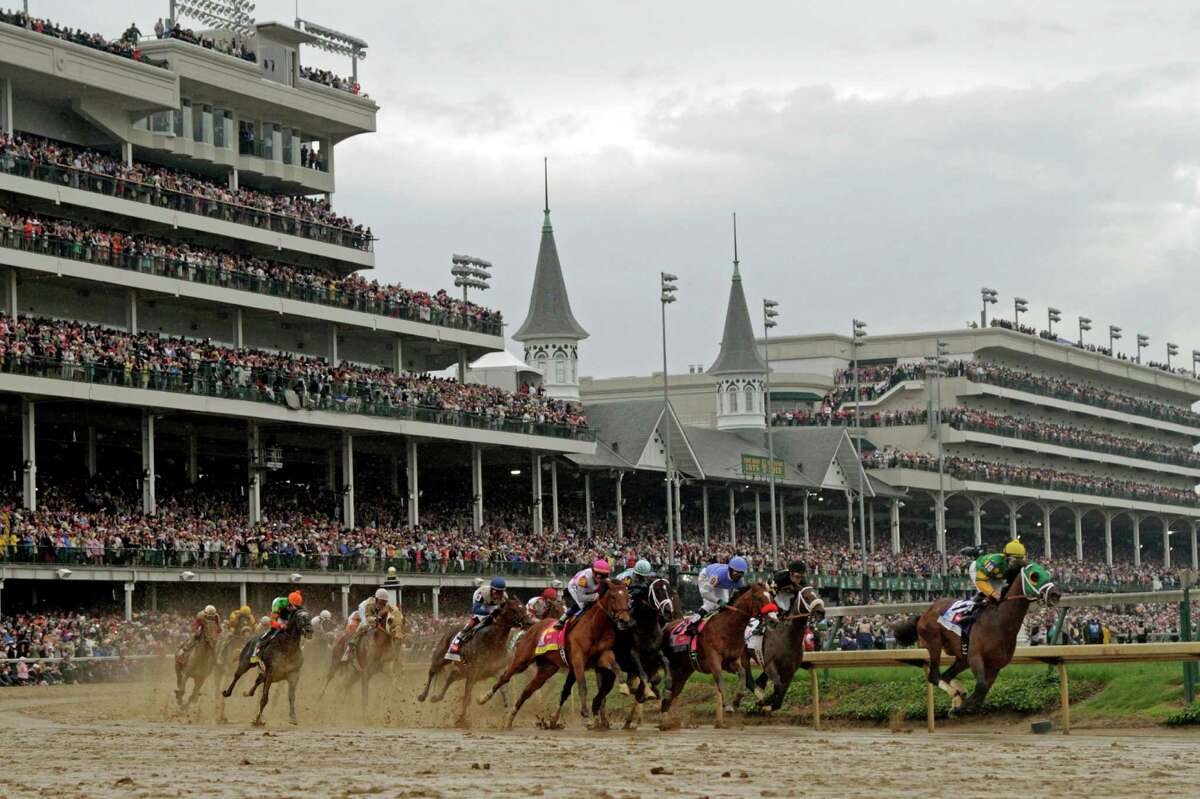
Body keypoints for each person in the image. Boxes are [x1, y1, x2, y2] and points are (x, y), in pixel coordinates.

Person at [958, 540, 1027, 655]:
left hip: (996, 576)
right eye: (1015, 559)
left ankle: (979, 551)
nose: (1018, 563)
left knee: (1001, 596)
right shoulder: (995, 561)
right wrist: (994, 595)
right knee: (987, 594)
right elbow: (981, 581)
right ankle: (967, 614)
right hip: (979, 571)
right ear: (1007, 557)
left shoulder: (1018, 565)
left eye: (1020, 559)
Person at [688, 556, 749, 634]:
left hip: (720, 583)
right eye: (736, 573)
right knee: (710, 604)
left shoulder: (740, 581)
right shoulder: (717, 576)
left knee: (725, 602)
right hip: (706, 578)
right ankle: (692, 624)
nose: (738, 577)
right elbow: (705, 593)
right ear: (730, 570)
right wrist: (718, 601)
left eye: (741, 574)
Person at [554, 559, 612, 629]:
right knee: (583, 605)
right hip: (575, 588)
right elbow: (581, 598)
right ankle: (562, 620)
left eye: (603, 575)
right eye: (597, 573)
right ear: (593, 571)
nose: (599, 577)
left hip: (589, 588)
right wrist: (595, 596)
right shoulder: (584, 578)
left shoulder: (606, 578)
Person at [251, 590, 303, 664]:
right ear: (288, 602)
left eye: (296, 607)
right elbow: (272, 622)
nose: (294, 609)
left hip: (286, 616)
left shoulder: (298, 607)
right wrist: (280, 625)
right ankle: (256, 651)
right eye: (292, 606)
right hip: (278, 613)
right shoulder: (279, 603)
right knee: (274, 630)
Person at [343, 589, 395, 661]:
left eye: (384, 603)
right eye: (380, 603)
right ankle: (350, 646)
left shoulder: (387, 605)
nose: (382, 605)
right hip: (363, 608)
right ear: (376, 600)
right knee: (364, 625)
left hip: (374, 613)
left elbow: (394, 613)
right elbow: (368, 618)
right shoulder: (370, 604)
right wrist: (375, 619)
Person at [456, 577, 508, 646]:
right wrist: (489, 612)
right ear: (492, 589)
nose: (498, 594)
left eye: (500, 592)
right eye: (496, 591)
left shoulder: (505, 597)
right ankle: (462, 633)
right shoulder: (482, 593)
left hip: (492, 604)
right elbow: (475, 609)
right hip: (481, 602)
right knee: (478, 617)